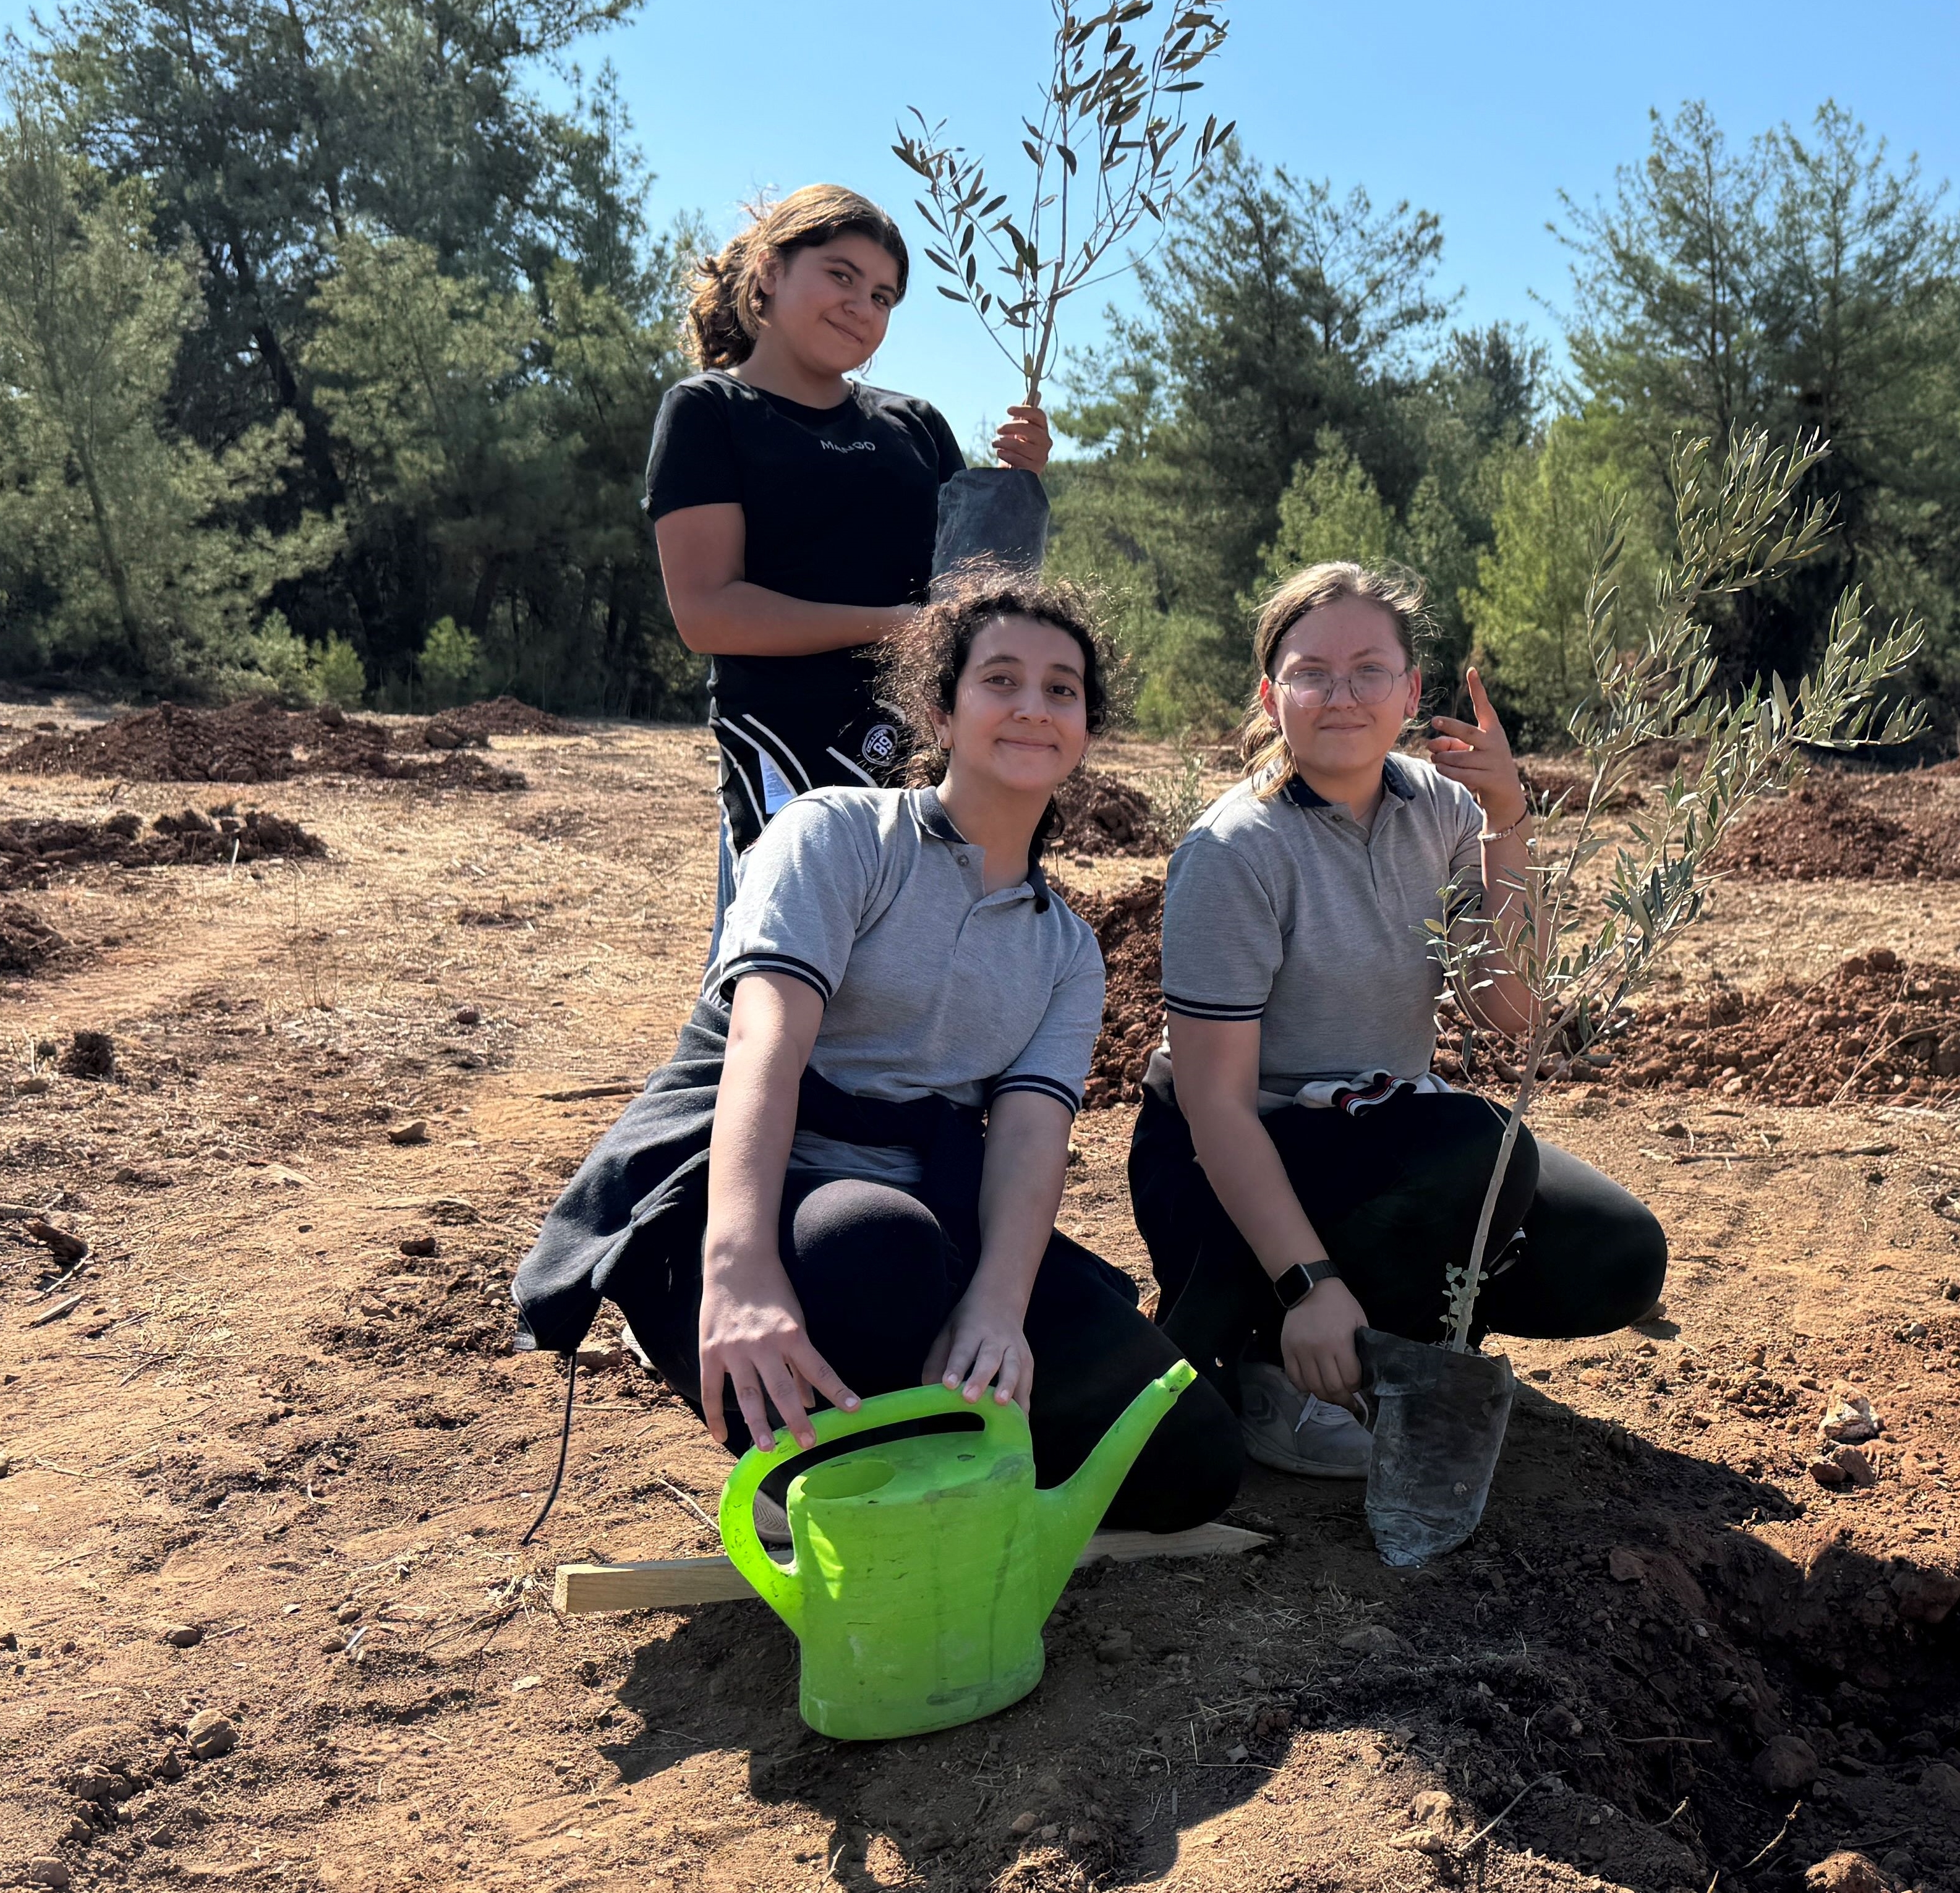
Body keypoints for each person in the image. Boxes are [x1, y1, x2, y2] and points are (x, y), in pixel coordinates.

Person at [512, 572, 1239, 1536]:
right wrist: (739, 1268)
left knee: (1189, 1455)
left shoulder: (1065, 949)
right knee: (873, 1245)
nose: (1033, 705)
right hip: (754, 1206)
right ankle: (784, 1438)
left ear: (1086, 730)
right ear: (940, 711)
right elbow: (763, 1048)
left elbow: (1029, 1142)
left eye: (1061, 689)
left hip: (932, 1220)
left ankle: (906, 1450)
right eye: (1001, 680)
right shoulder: (839, 834)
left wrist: (997, 1308)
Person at [1128, 561, 1669, 1478]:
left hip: (1378, 1126)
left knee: (1615, 1254)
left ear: (1411, 692)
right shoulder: (1233, 849)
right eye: (1310, 673)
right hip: (1225, 1164)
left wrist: (1507, 816)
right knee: (1477, 1147)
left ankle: (1380, 1334)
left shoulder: (1443, 807)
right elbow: (1217, 1108)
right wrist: (1309, 1281)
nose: (1341, 696)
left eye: (1368, 670)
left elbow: (1511, 1008)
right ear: (1270, 696)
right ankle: (1272, 1356)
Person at [646, 184, 1054, 947]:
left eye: (882, 296)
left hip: (925, 749)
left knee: (921, 966)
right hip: (784, 744)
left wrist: (1016, 487)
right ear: (769, 272)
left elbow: (974, 598)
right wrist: (899, 626)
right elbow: (707, 612)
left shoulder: (915, 425)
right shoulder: (709, 412)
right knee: (785, 965)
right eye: (840, 275)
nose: (862, 307)